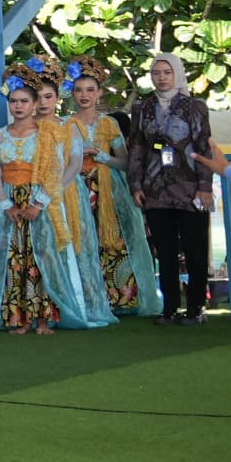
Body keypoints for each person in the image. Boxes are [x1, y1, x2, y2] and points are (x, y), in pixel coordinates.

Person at [0, 76, 112, 333]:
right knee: (13, 258)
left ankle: (43, 318)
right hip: (8, 201)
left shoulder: (46, 135)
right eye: (13, 101)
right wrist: (4, 204)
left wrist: (38, 203)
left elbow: (55, 170)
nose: (18, 106)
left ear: (34, 104)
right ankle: (19, 318)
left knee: (43, 257)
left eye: (24, 101)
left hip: (39, 200)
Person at [128, 53, 225, 325]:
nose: (161, 78)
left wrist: (204, 186)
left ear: (177, 74)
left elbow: (204, 146)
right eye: (156, 72)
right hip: (155, 188)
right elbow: (136, 147)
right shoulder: (143, 107)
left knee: (195, 250)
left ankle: (196, 307)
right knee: (165, 251)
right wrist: (135, 184)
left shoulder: (195, 106)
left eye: (167, 72)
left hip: (190, 187)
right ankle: (169, 307)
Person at [58, 66, 156, 317]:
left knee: (113, 240)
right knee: (80, 240)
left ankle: (120, 299)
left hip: (107, 189)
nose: (84, 95)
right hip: (75, 187)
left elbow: (124, 162)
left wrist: (101, 156)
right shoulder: (64, 124)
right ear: (72, 94)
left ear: (99, 93)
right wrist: (76, 158)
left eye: (90, 90)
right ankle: (88, 300)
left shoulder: (109, 123)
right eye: (79, 90)